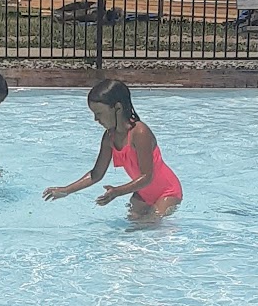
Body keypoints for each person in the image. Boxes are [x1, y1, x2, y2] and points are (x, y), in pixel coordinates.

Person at [43, 78, 182, 218]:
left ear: (118, 108)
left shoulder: (140, 133)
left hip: (167, 192)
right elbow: (96, 174)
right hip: (142, 193)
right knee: (133, 227)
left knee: (153, 224)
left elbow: (147, 177)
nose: (96, 119)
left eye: (99, 113)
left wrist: (117, 192)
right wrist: (66, 190)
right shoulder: (109, 137)